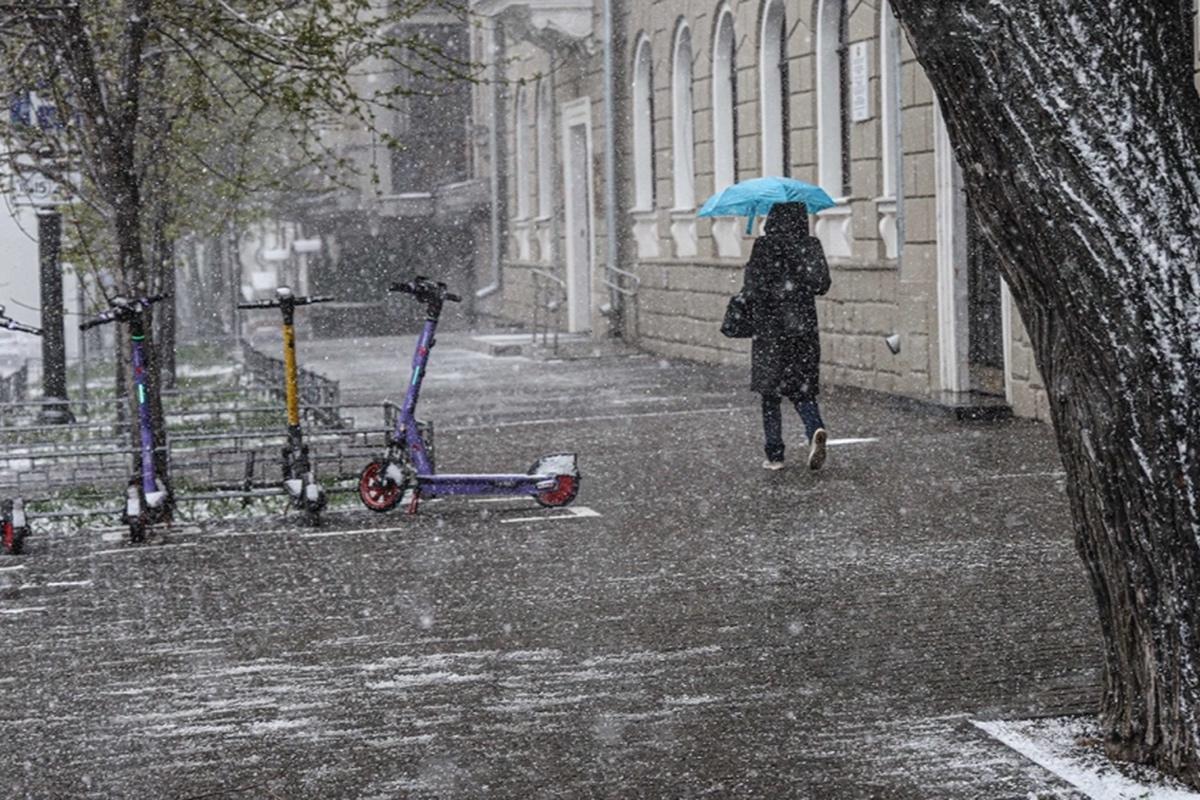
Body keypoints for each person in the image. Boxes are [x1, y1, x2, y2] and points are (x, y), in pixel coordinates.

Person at [742, 202, 831, 471]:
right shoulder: (811, 245)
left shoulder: (764, 246)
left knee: (771, 394)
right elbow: (822, 284)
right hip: (803, 329)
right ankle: (815, 429)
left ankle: (775, 455)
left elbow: (752, 287)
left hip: (771, 331)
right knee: (801, 388)